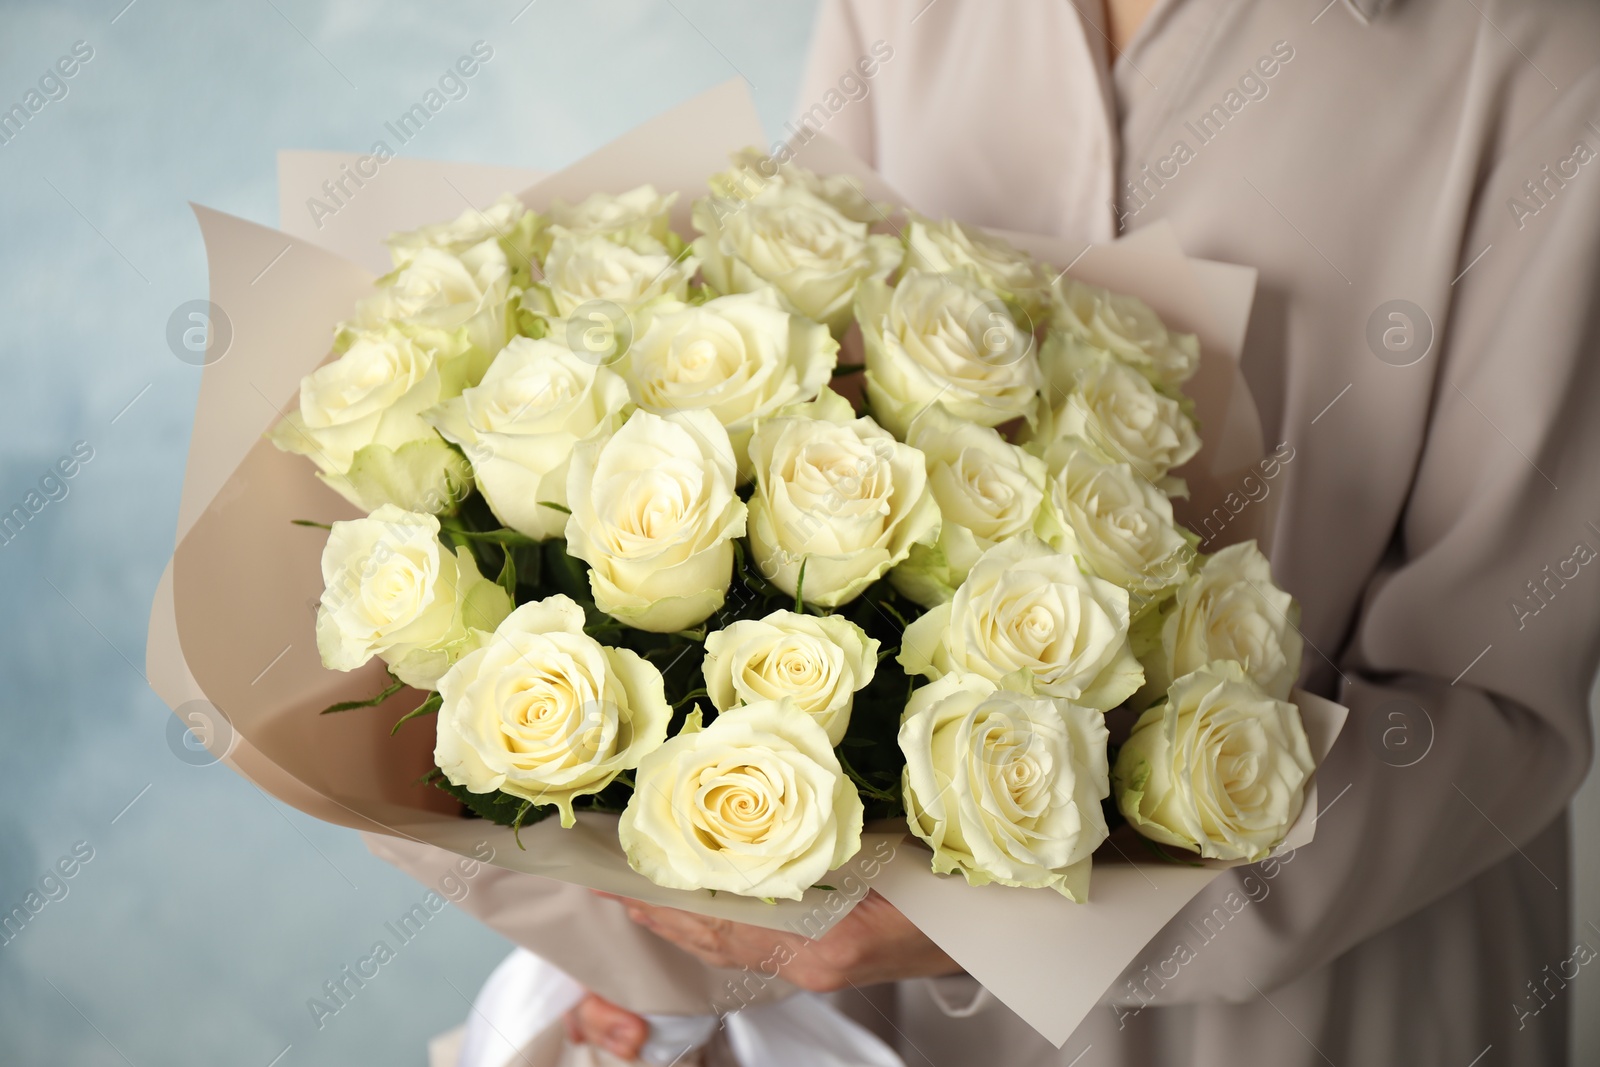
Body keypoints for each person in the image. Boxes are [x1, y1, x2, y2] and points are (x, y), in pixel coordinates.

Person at [386, 0, 1600, 1062]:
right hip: (876, 1018)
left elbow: (1499, 711)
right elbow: (804, 401)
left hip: (1322, 1010)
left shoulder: (1546, 57)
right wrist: (684, 927)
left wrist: (1015, 919)